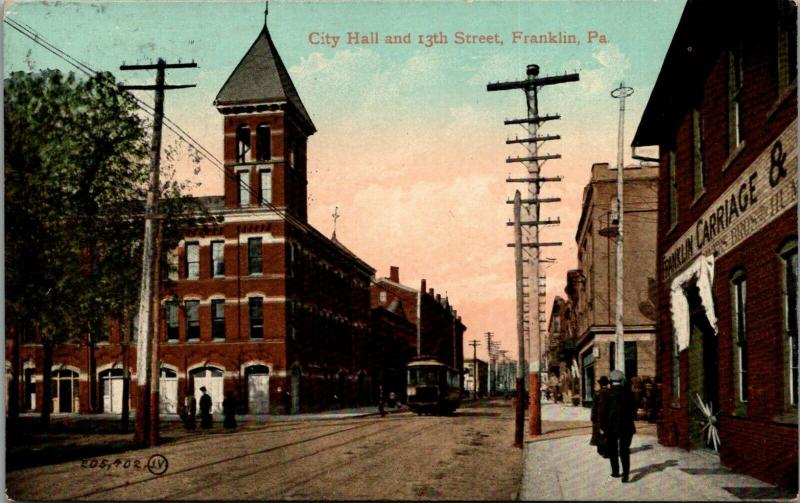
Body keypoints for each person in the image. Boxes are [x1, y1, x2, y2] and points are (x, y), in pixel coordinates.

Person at [598, 369, 637, 483]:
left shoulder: (606, 394)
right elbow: (634, 409)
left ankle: (616, 472)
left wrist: (601, 427)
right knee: (625, 450)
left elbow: (602, 411)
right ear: (622, 380)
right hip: (627, 426)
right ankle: (625, 475)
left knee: (613, 449)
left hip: (611, 427)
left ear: (611, 381)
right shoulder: (629, 393)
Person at [590, 376, 610, 458]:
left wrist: (593, 417)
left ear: (600, 384)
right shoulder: (610, 392)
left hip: (598, 417)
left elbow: (594, 407)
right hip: (608, 416)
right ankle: (607, 451)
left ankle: (600, 450)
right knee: (608, 434)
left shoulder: (597, 393)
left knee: (599, 434)